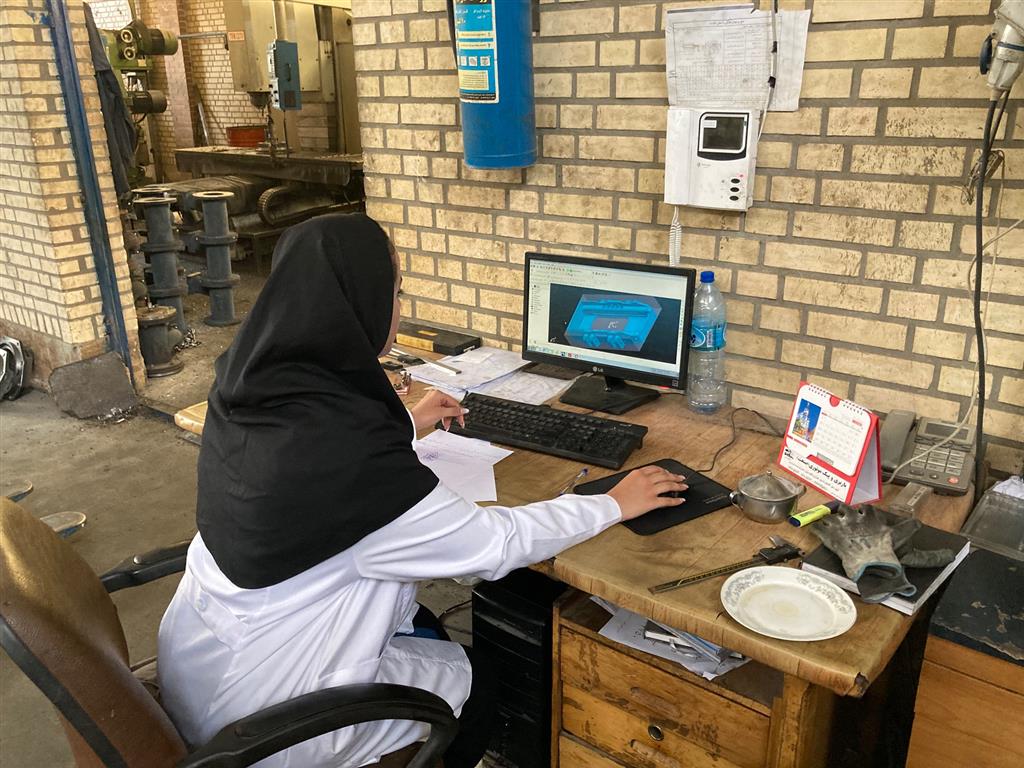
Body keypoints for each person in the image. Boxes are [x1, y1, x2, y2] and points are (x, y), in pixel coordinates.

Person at [157, 213, 688, 767]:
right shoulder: (355, 463)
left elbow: (308, 463)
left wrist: (406, 424)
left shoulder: (251, 388)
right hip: (271, 722)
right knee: (479, 683)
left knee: (425, 626)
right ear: (363, 304)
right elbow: (494, 545)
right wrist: (611, 503)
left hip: (199, 668)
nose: (399, 307)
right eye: (397, 292)